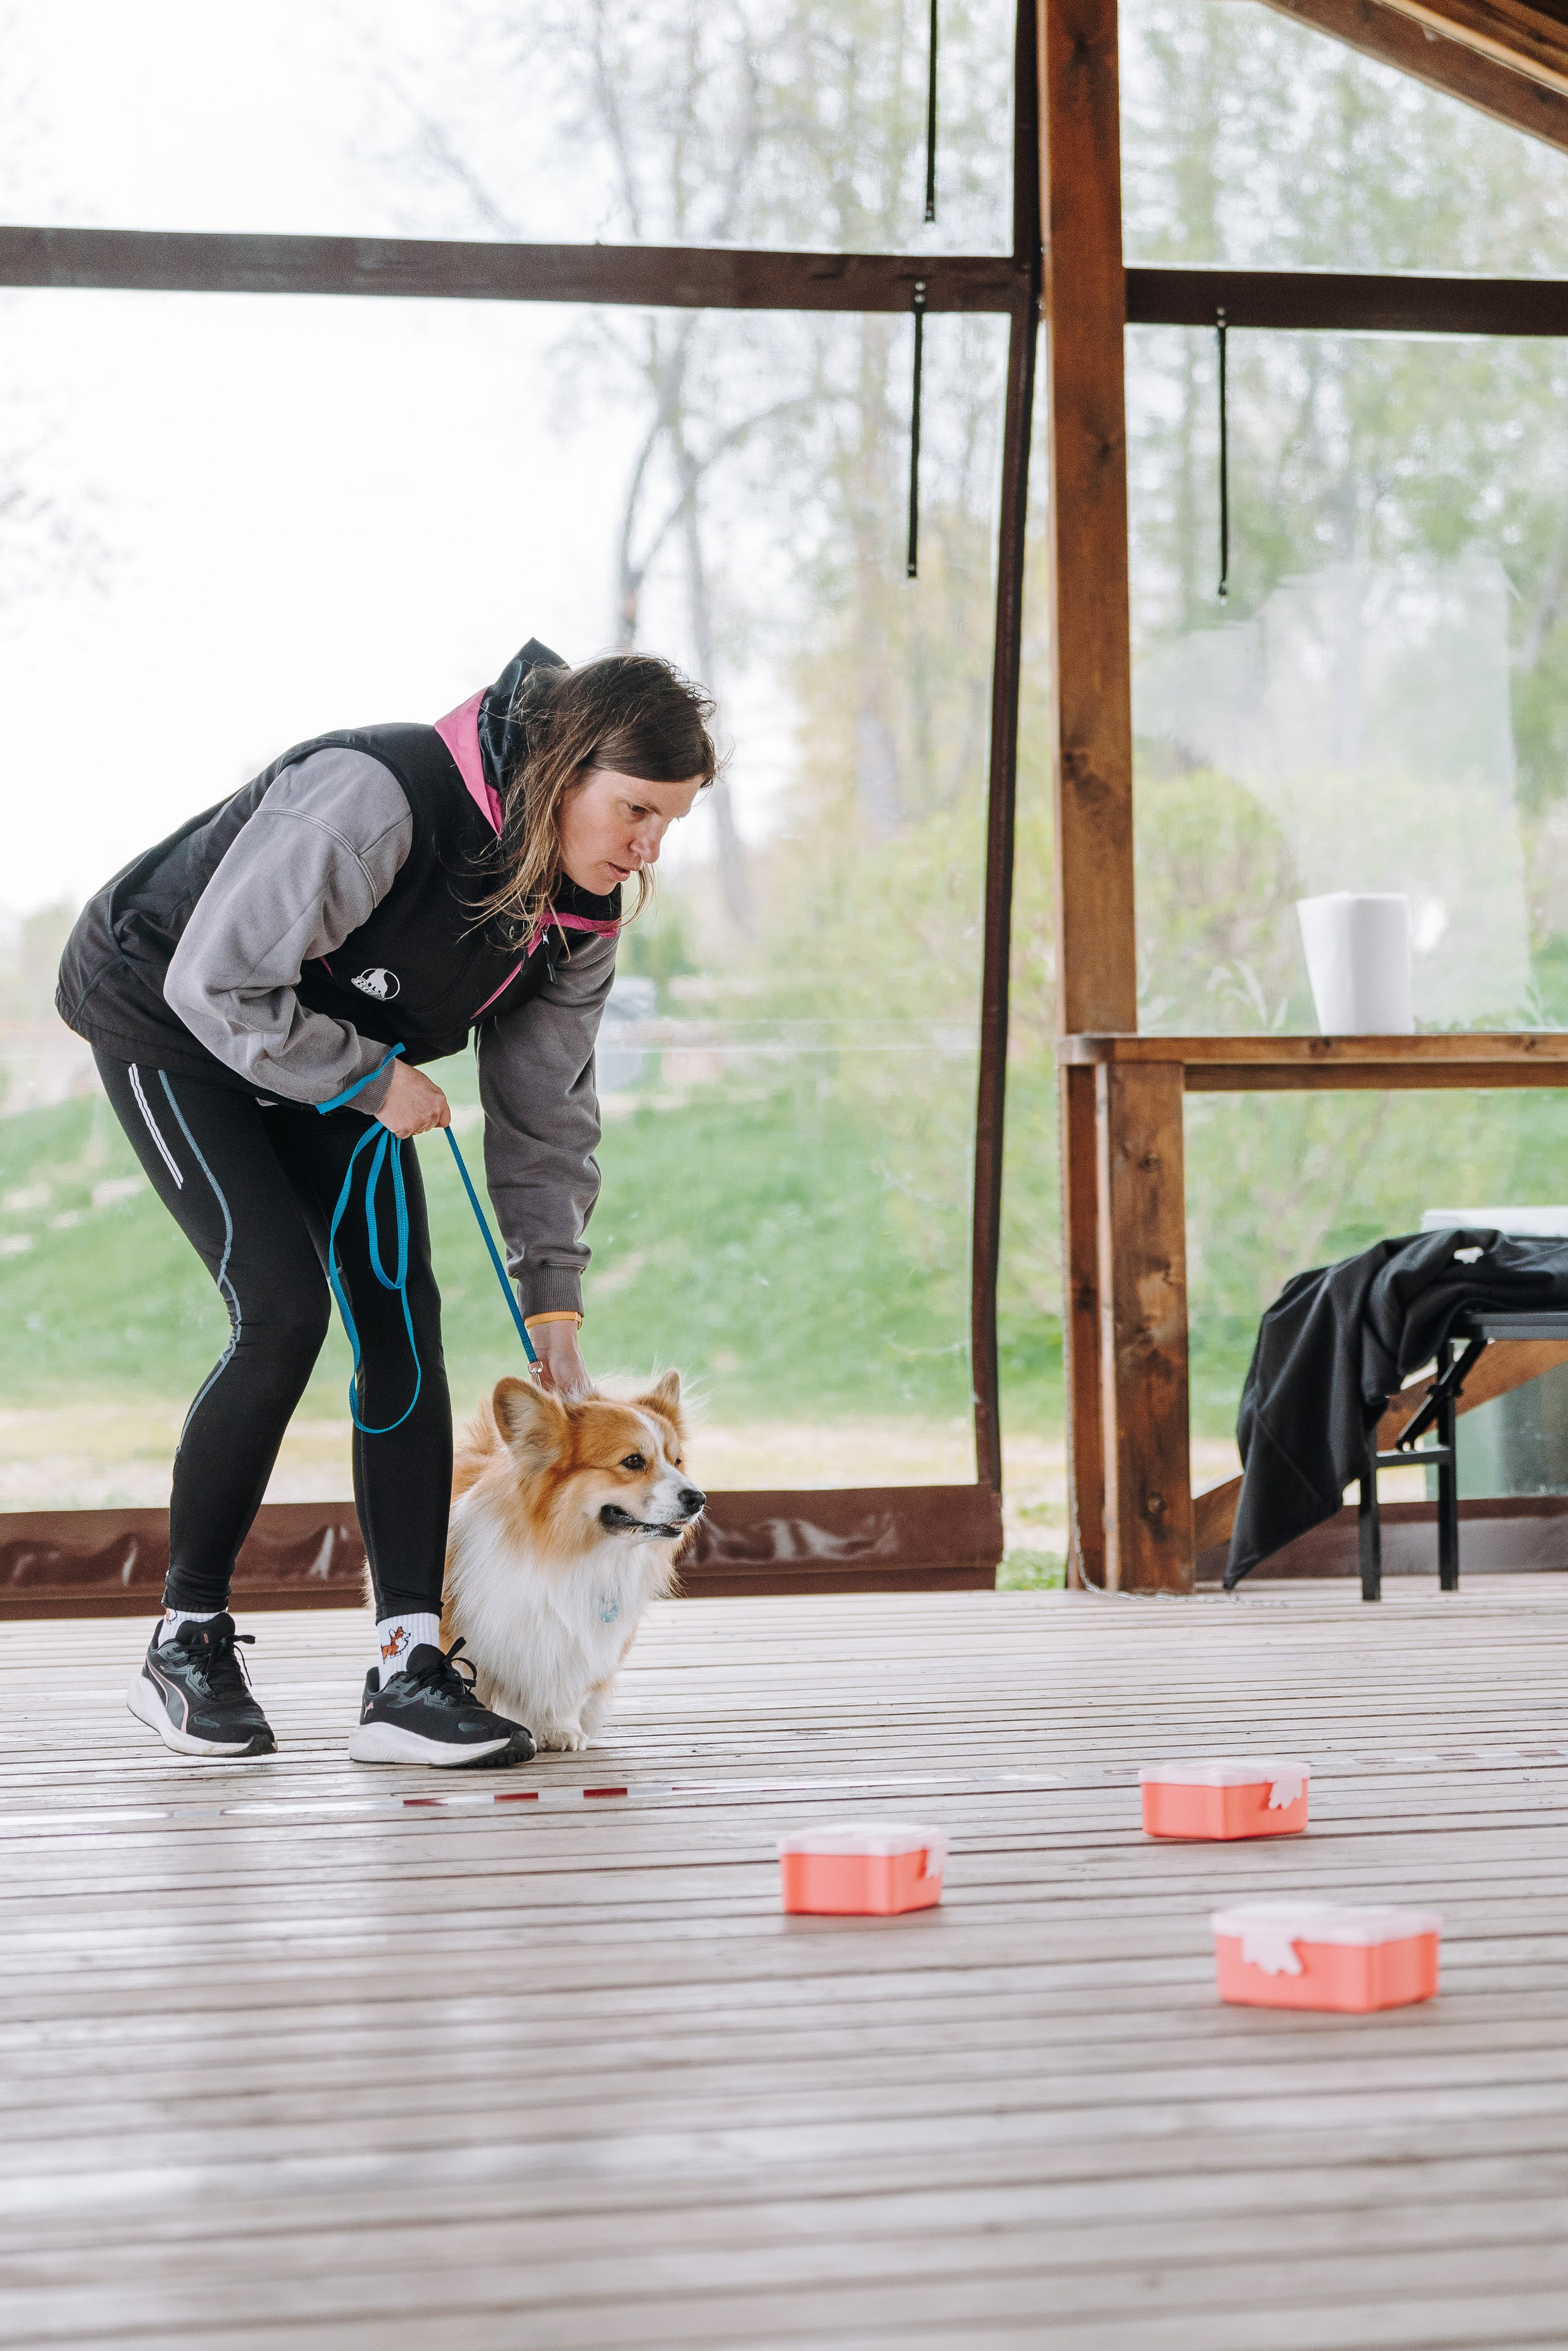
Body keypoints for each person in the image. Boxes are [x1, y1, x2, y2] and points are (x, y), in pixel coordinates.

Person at [58, 640, 715, 1765]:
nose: (651, 846)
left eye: (672, 822)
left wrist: (554, 1314)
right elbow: (214, 981)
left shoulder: (583, 913)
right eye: (637, 811)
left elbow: (543, 1113)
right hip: (171, 1016)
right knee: (284, 1310)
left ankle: (411, 1667)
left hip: (325, 1050)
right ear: (565, 774)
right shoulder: (378, 798)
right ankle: (187, 1644)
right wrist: (367, 1078)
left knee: (405, 1319)